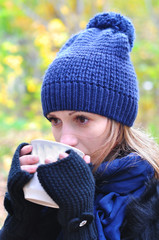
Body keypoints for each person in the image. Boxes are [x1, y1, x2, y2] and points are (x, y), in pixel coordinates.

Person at [0, 12, 159, 240]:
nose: (64, 139)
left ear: (118, 120)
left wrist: (80, 219)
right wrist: (23, 214)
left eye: (81, 119)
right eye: (55, 120)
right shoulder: (51, 187)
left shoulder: (149, 200)